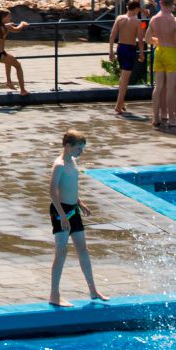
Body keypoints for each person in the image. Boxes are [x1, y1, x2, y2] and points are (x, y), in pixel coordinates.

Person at [48, 129, 107, 306]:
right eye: (78, 148)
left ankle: (93, 290)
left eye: (82, 148)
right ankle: (54, 295)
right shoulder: (59, 165)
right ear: (67, 146)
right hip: (61, 211)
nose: (81, 152)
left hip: (73, 209)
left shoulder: (72, 161)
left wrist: (80, 203)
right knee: (61, 252)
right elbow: (52, 192)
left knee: (83, 249)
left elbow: (71, 187)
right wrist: (62, 216)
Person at [0, 10, 29, 97]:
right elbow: (17, 30)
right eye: (9, 17)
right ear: (3, 18)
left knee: (9, 60)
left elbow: (3, 25)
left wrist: (8, 24)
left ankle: (9, 82)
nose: (10, 18)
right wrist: (22, 24)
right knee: (18, 66)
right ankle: (23, 90)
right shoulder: (6, 27)